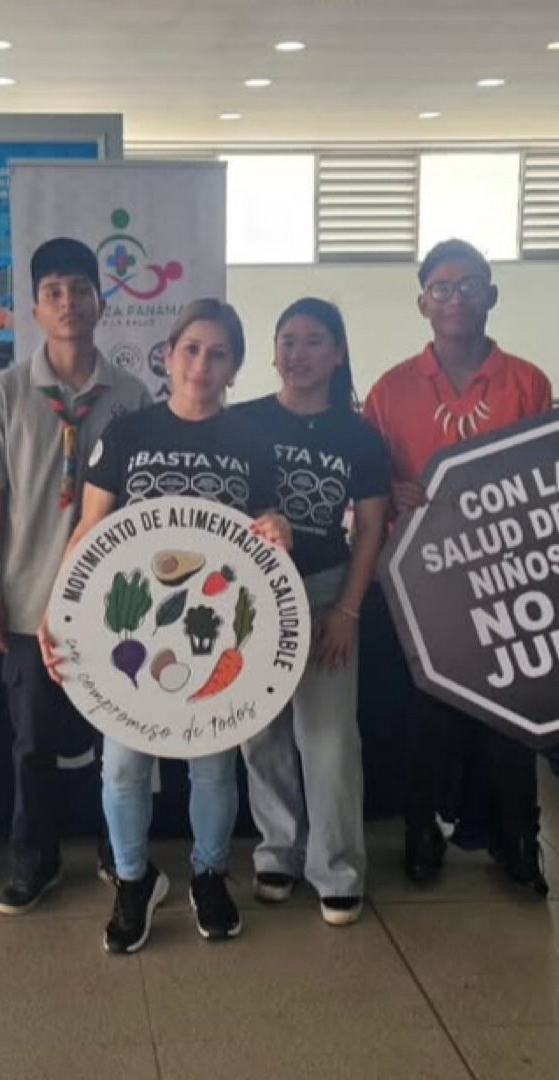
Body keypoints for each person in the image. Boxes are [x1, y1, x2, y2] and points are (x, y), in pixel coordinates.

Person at [44, 298, 293, 953]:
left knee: (212, 768)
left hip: (211, 634)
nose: (202, 365)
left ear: (235, 367)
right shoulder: (126, 432)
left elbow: (269, 523)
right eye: (191, 349)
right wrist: (55, 612)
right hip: (131, 629)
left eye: (218, 354)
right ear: (168, 355)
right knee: (123, 767)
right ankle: (133, 881)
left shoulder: (251, 440)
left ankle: (209, 875)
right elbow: (88, 530)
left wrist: (280, 529)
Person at [0, 238, 154, 916]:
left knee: (121, 742)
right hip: (25, 599)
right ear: (34, 309)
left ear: (101, 301)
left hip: (115, 605)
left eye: (80, 289)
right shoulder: (6, 393)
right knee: (32, 745)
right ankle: (33, 862)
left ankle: (118, 850)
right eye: (53, 293)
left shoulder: (132, 396)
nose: (69, 303)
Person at [363, 239, 555, 895]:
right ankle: (423, 830)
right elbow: (367, 484)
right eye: (441, 288)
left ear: (492, 295)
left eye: (469, 284)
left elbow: (545, 475)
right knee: (423, 718)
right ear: (423, 303)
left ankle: (517, 839)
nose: (455, 298)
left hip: (506, 581)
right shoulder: (389, 390)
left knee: (509, 710)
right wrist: (390, 491)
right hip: (418, 583)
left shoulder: (528, 382)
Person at [235, 299, 390, 927]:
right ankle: (278, 852)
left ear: (338, 352)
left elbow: (373, 528)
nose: (297, 354)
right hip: (247, 596)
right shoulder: (241, 421)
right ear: (272, 352)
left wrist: (348, 610)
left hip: (327, 591)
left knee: (327, 741)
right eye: (287, 341)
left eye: (312, 341)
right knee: (259, 733)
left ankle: (338, 867)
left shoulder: (359, 434)